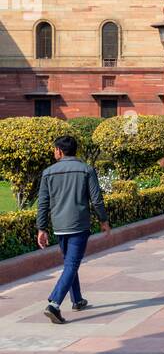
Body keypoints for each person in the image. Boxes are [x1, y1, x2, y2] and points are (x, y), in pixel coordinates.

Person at [37, 134, 110, 323]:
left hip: (59, 226)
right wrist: (103, 220)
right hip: (79, 225)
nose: (54, 152)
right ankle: (54, 303)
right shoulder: (86, 170)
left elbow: (43, 203)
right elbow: (96, 199)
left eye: (55, 149)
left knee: (70, 263)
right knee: (71, 264)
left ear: (60, 151)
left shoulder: (48, 172)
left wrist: (41, 228)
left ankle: (77, 300)